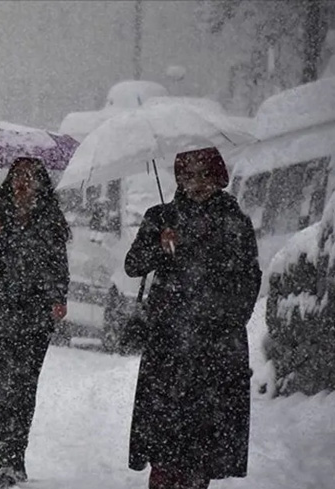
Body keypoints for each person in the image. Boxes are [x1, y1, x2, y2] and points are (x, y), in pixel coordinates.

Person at [123, 147, 261, 489]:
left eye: (204, 174)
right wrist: (159, 245)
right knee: (164, 433)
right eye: (188, 174)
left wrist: (227, 320)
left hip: (215, 346)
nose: (196, 182)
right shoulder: (160, 217)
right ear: (178, 178)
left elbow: (248, 278)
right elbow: (133, 265)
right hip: (168, 343)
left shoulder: (234, 221)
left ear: (218, 176)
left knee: (204, 439)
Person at [0, 156, 70, 487]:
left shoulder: (50, 220)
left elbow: (58, 267)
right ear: (9, 180)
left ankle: (17, 456)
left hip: (36, 317)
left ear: (41, 183)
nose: (23, 183)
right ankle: (6, 460)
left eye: (31, 177)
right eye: (18, 176)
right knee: (7, 383)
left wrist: (57, 298)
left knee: (25, 386)